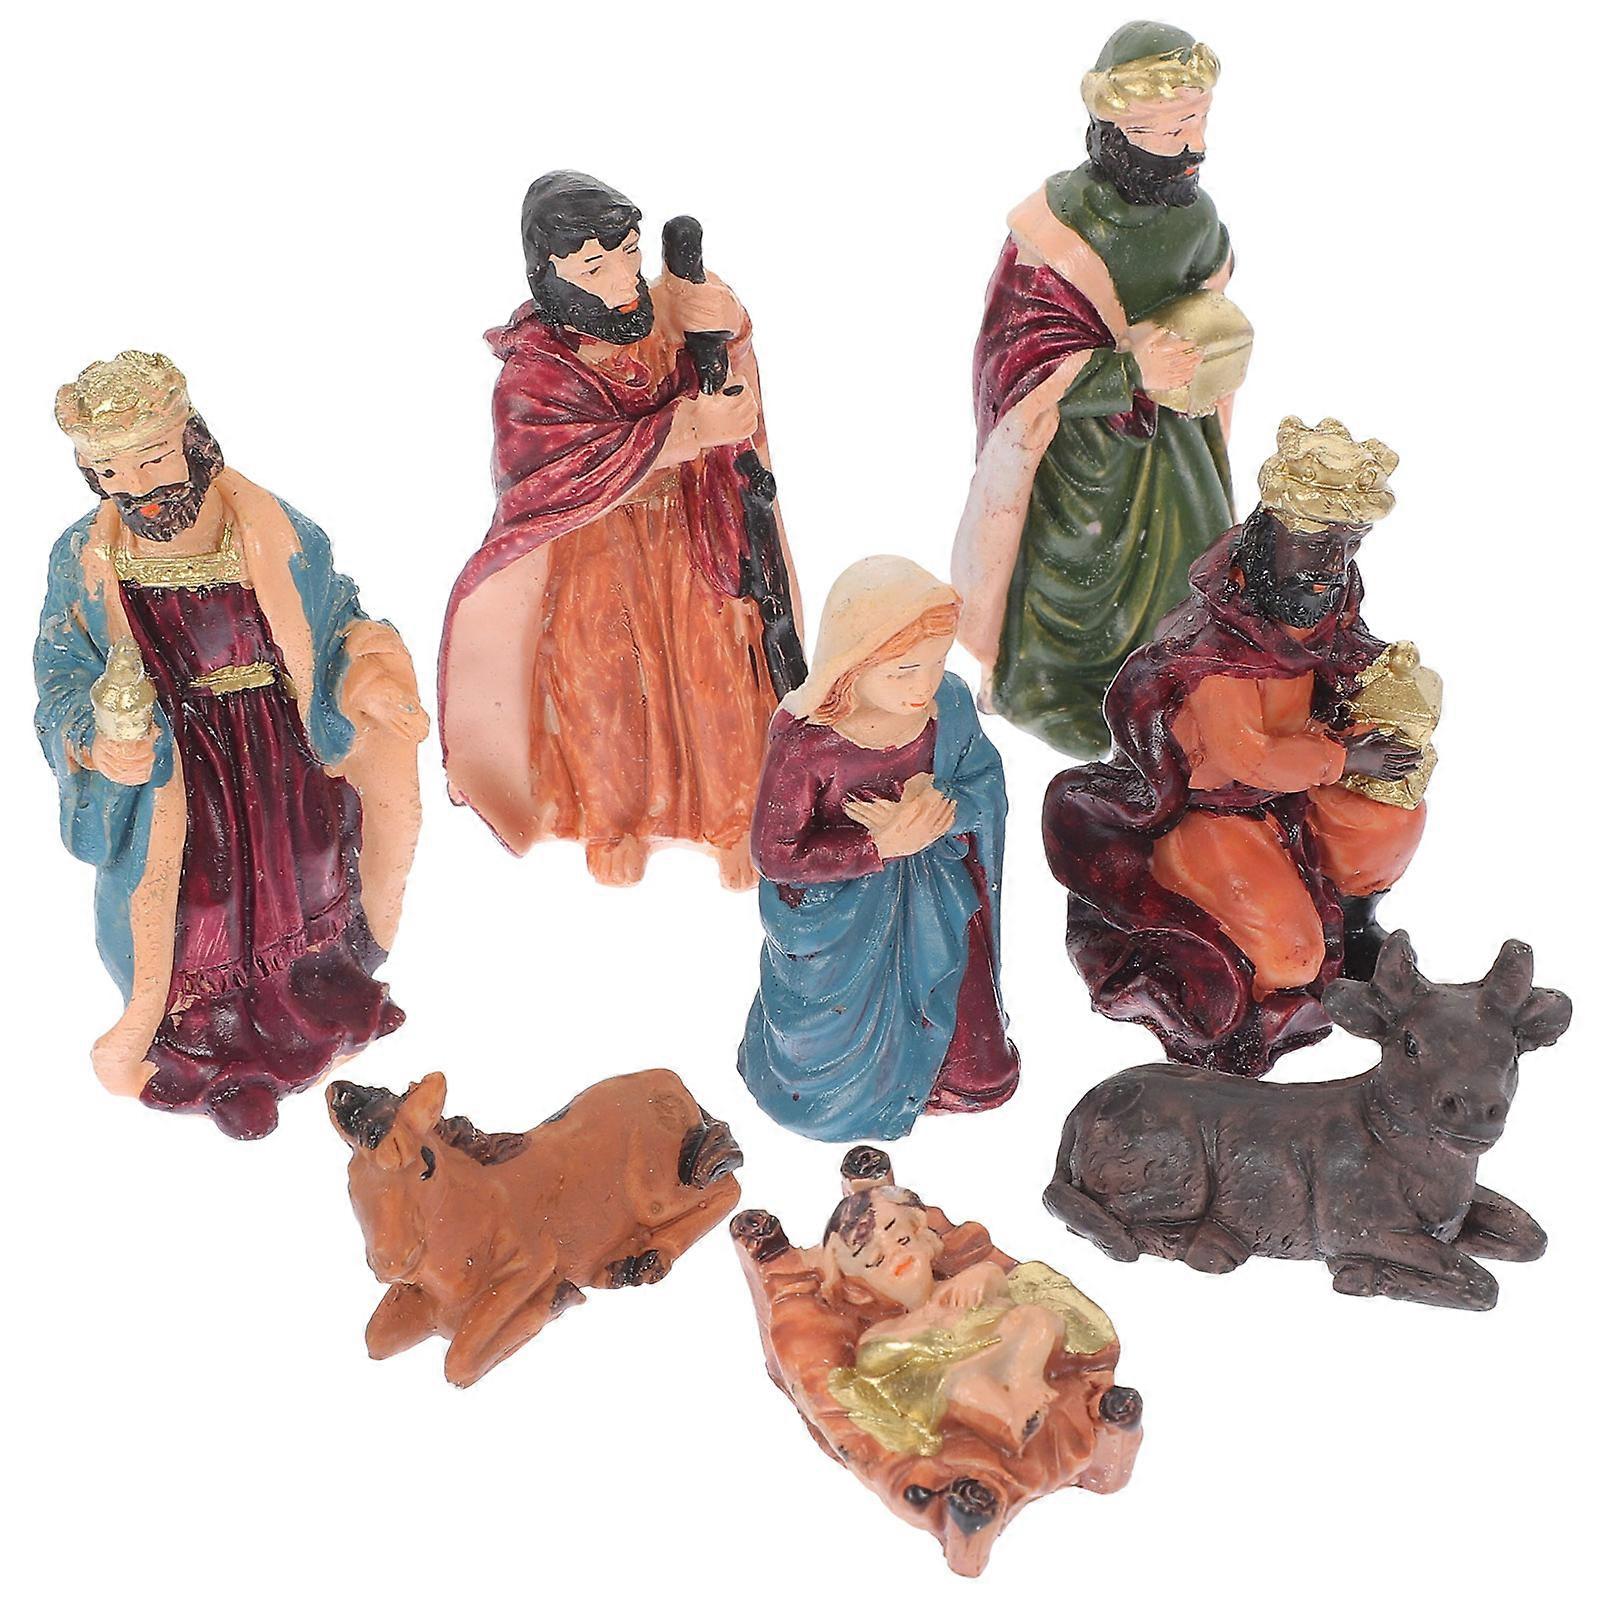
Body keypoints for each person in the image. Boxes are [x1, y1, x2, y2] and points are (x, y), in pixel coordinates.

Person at [35, 351, 426, 1137]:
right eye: (110, 472)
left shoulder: (272, 529)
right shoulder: (86, 559)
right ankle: (211, 1051)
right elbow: (61, 668)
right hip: (182, 763)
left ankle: (316, 1003)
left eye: (153, 460)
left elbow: (337, 619)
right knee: (203, 902)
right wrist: (98, 735)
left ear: (193, 440)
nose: (138, 488)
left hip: (275, 740)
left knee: (307, 868)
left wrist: (367, 680)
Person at [439, 171, 800, 888]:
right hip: (594, 548)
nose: (621, 279)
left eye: (629, 254)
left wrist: (726, 325)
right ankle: (613, 819)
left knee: (716, 672)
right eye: (594, 266)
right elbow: (545, 474)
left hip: (689, 534)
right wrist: (684, 429)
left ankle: (734, 816)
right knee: (601, 684)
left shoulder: (668, 316)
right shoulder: (536, 374)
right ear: (549, 273)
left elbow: (727, 377)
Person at [1043, 417, 1428, 1076]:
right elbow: (1247, 756)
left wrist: (1384, 705)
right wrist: (1345, 759)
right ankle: (1245, 1005)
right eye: (1314, 548)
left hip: (1299, 780)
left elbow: (1336, 671)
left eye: (1345, 548)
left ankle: (1354, 922)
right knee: (1290, 958)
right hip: (1218, 808)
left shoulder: (1321, 607)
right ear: (1269, 537)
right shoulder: (1218, 647)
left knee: (1391, 814)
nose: (1329, 570)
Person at [952, 20, 1244, 757]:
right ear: (1116, 131)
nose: (1191, 146)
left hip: (1173, 441)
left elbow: (1207, 303)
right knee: (1073, 573)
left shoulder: (1197, 217)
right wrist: (1127, 371)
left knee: (1193, 561)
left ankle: (1174, 689)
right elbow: (1016, 359)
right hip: (1081, 453)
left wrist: (1208, 349)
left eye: (1197, 121)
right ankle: (1058, 692)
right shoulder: (1060, 229)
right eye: (1167, 130)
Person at [738, 557, 1015, 1140]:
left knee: (973, 1046)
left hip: (935, 901)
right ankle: (860, 1089)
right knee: (832, 1048)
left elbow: (985, 780)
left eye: (936, 662)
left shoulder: (951, 704)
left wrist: (941, 811)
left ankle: (942, 1073)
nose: (923, 685)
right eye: (903, 670)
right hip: (843, 925)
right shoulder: (810, 745)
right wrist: (877, 845)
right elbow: (775, 852)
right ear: (853, 664)